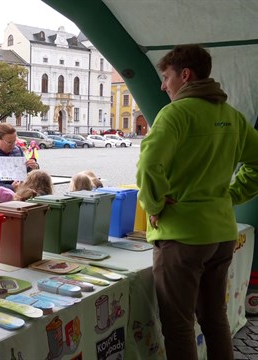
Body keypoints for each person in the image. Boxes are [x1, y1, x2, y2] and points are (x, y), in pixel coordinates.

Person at [136, 44, 258, 360]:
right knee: (215, 318)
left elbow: (149, 166)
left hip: (182, 238)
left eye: (166, 77)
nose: (163, 85)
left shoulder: (175, 114)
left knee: (178, 327)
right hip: (221, 234)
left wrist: (154, 206)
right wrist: (232, 195)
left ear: (185, 75)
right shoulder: (232, 116)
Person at [0, 123, 39, 205]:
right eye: (9, 142)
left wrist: (33, 166)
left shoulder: (17, 150)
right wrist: (10, 188)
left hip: (16, 199)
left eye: (15, 141)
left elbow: (23, 170)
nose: (13, 145)